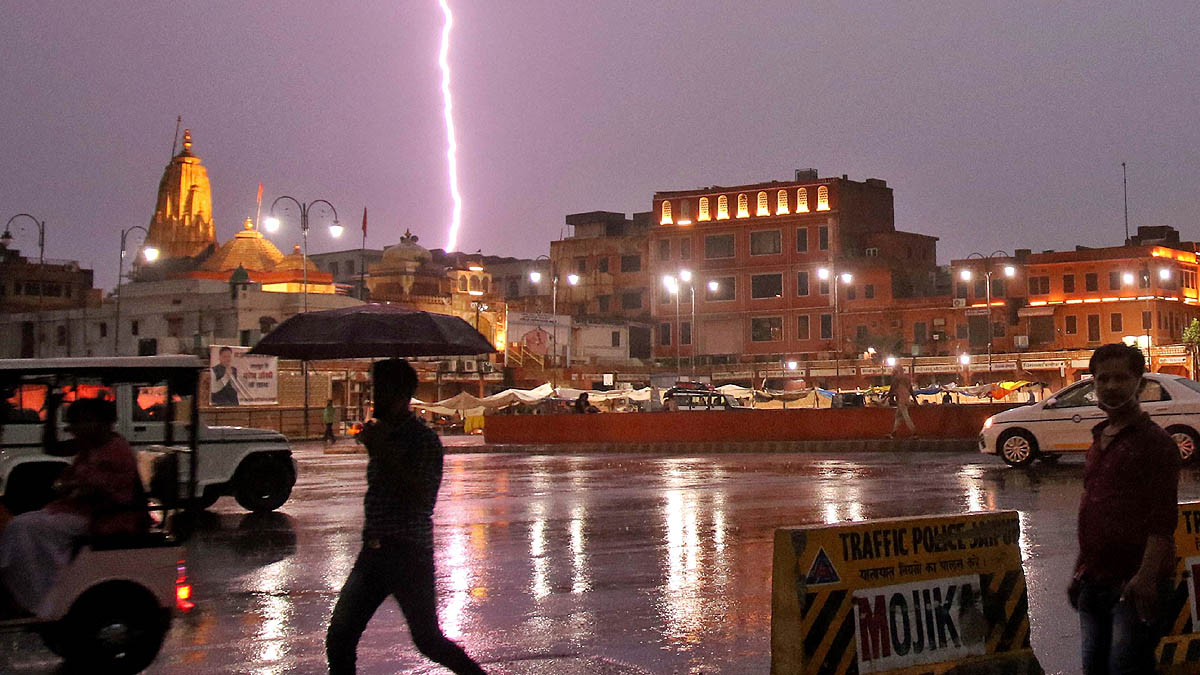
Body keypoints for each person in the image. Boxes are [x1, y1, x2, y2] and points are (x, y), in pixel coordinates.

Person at [326, 359, 486, 675]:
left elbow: (422, 498)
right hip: (373, 554)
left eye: (380, 391)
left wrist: (383, 452)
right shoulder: (382, 434)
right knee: (340, 636)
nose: (374, 399)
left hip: (408, 553)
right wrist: (377, 448)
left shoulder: (423, 441)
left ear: (400, 394)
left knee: (428, 640)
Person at [1069, 343, 1179, 674]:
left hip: (1133, 586)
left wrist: (1146, 577)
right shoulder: (1100, 437)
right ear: (1093, 384)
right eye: (1103, 379)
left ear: (1140, 383)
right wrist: (1080, 571)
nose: (1112, 386)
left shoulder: (1154, 443)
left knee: (1126, 667)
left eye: (1122, 378)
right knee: (1095, 668)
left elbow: (1163, 520)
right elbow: (1093, 509)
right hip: (1095, 582)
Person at [0, 398, 149, 616]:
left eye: (84, 421)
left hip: (101, 516)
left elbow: (96, 491)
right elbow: (52, 447)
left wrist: (71, 487)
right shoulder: (91, 445)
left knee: (22, 527)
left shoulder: (115, 451)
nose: (77, 428)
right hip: (76, 509)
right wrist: (51, 409)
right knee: (22, 522)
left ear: (103, 423)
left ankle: (41, 593)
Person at [886, 364, 916, 438]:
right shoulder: (907, 378)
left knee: (906, 416)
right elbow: (911, 390)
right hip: (906, 399)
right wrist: (915, 400)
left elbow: (892, 389)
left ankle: (914, 432)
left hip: (901, 400)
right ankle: (894, 433)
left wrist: (885, 398)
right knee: (898, 417)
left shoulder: (897, 379)